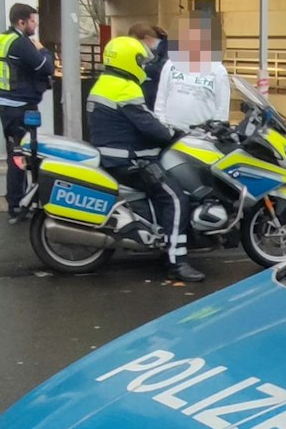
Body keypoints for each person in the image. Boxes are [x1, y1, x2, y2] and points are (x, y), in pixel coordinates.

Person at [87, 29, 205, 283]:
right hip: (129, 161)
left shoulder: (105, 82)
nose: (143, 65)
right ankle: (177, 261)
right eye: (140, 61)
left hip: (111, 155)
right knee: (175, 198)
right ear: (128, 60)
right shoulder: (125, 88)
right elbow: (148, 125)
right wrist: (172, 133)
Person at [0, 3, 54, 221]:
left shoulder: (2, 39)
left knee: (15, 153)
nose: (35, 25)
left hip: (7, 105)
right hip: (20, 108)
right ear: (22, 22)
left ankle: (17, 200)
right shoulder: (21, 43)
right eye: (33, 21)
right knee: (21, 156)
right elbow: (45, 66)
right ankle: (18, 204)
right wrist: (43, 49)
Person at [153, 14, 233, 131]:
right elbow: (161, 100)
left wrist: (214, 132)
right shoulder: (171, 64)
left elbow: (222, 108)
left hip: (201, 137)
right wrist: (162, 126)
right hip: (171, 134)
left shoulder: (218, 70)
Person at [140, 25, 170, 113]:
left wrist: (144, 68)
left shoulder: (165, 50)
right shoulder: (158, 50)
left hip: (156, 96)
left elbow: (161, 70)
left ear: (147, 38)